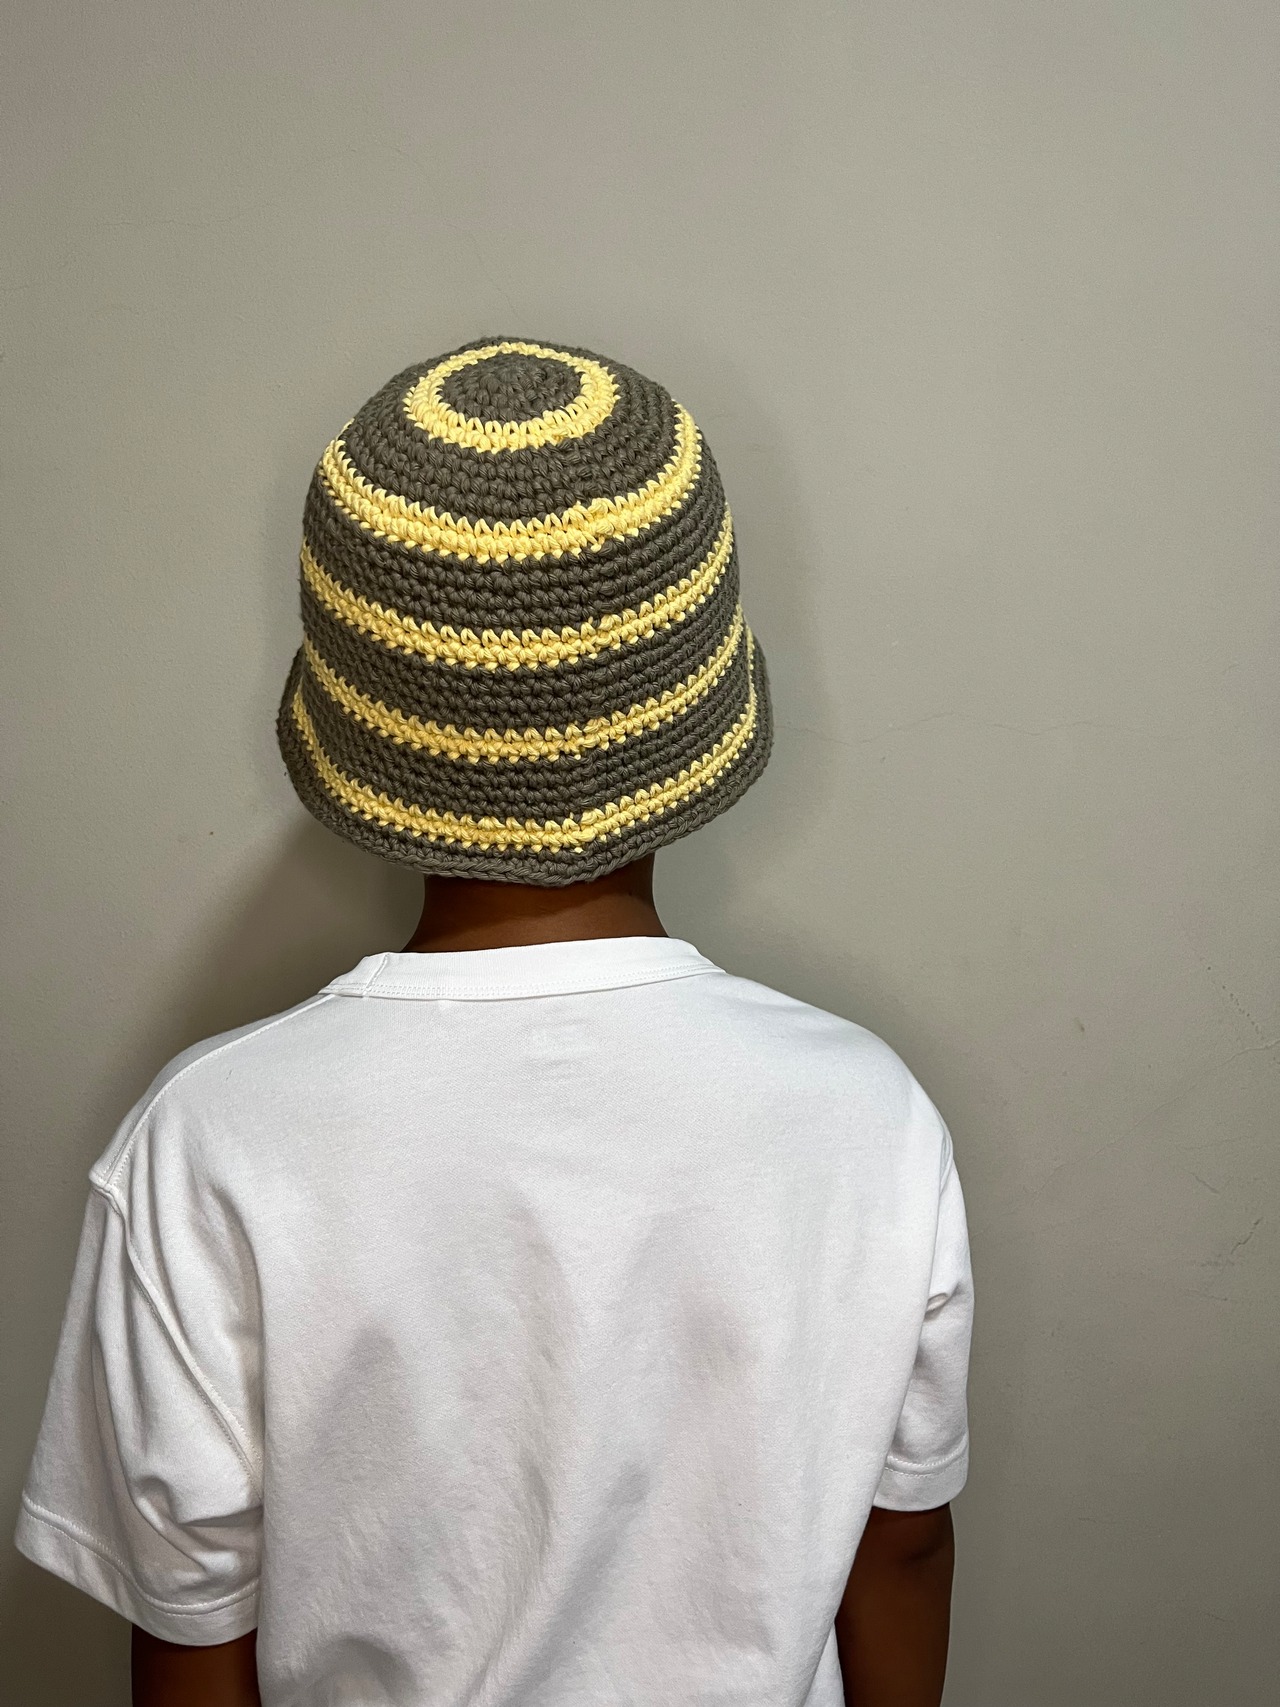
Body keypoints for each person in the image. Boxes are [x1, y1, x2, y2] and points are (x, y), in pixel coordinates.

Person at [16, 339, 973, 1707]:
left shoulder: (209, 1141)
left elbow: (190, 1633)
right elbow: (907, 1547)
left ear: (355, 720)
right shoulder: (867, 1111)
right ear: (698, 704)